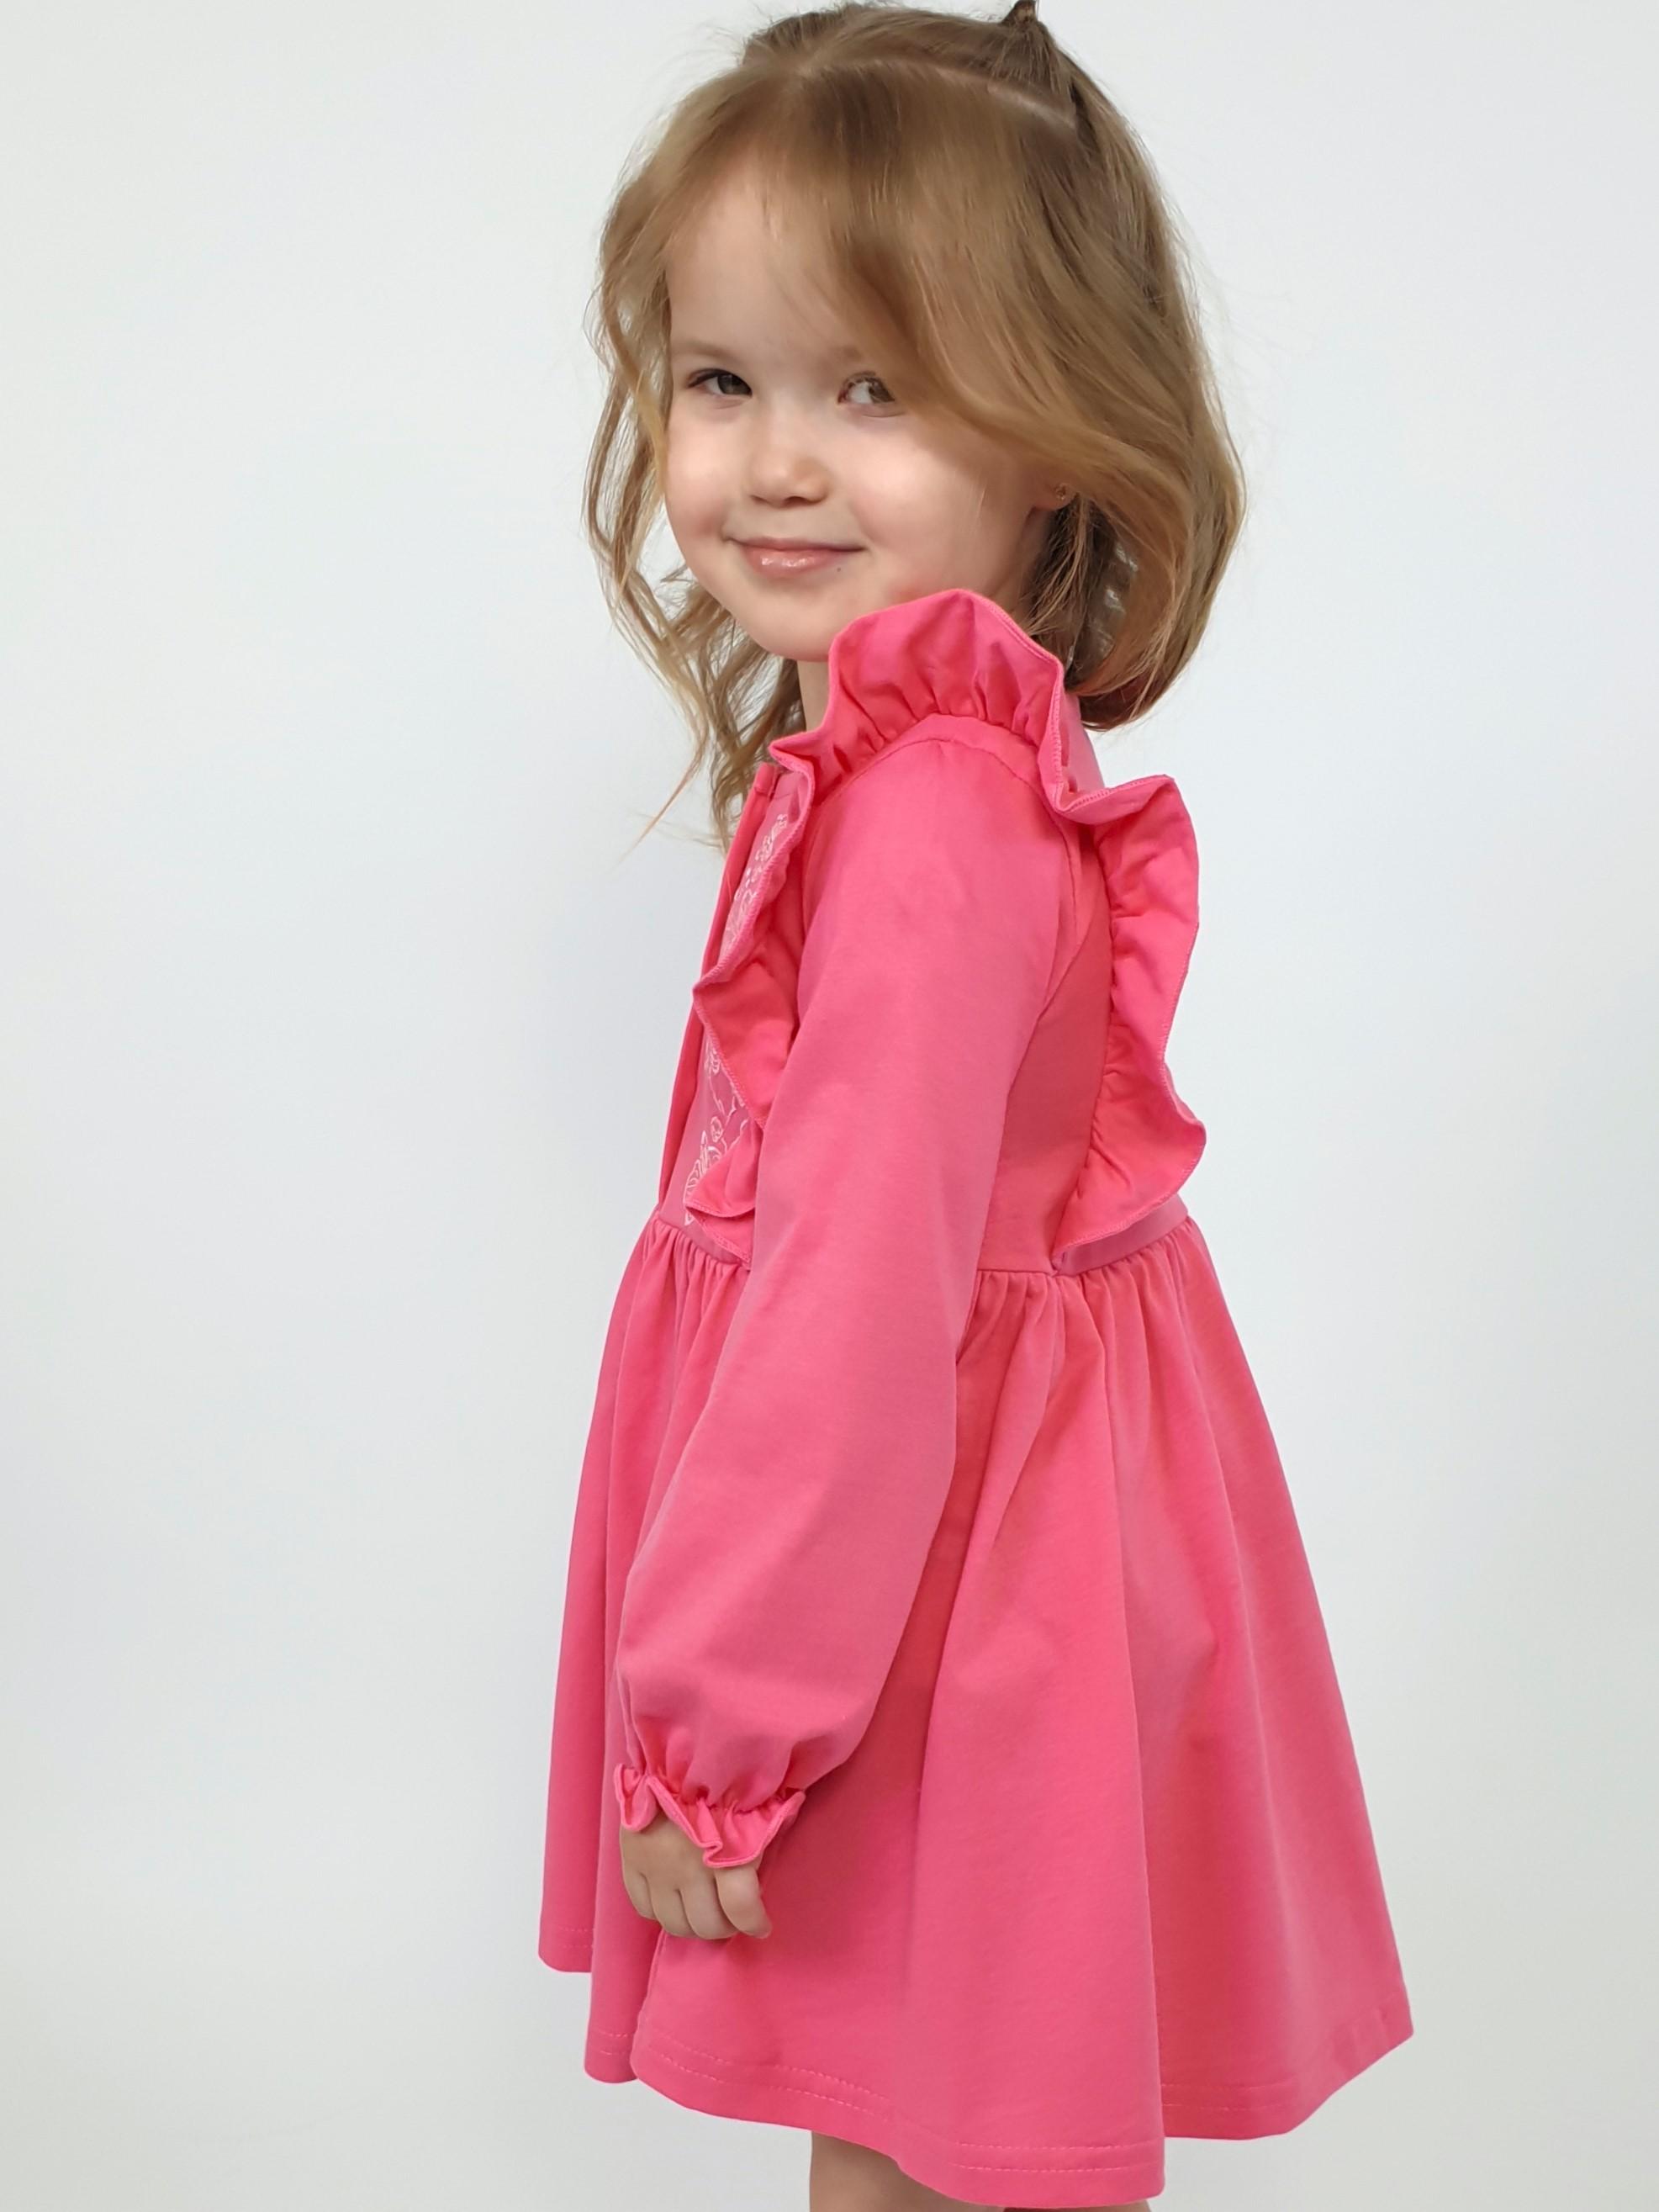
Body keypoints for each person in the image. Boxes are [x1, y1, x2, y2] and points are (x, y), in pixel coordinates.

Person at [537, 4, 1413, 2206]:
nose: (775, 462)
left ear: (1061, 433)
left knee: (921, 2160)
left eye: (876, 388)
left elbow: (850, 1314)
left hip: (913, 1608)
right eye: (720, 378)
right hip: (940, 1572)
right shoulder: (919, 764)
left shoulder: (933, 820)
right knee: (924, 2146)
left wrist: (722, 1734)